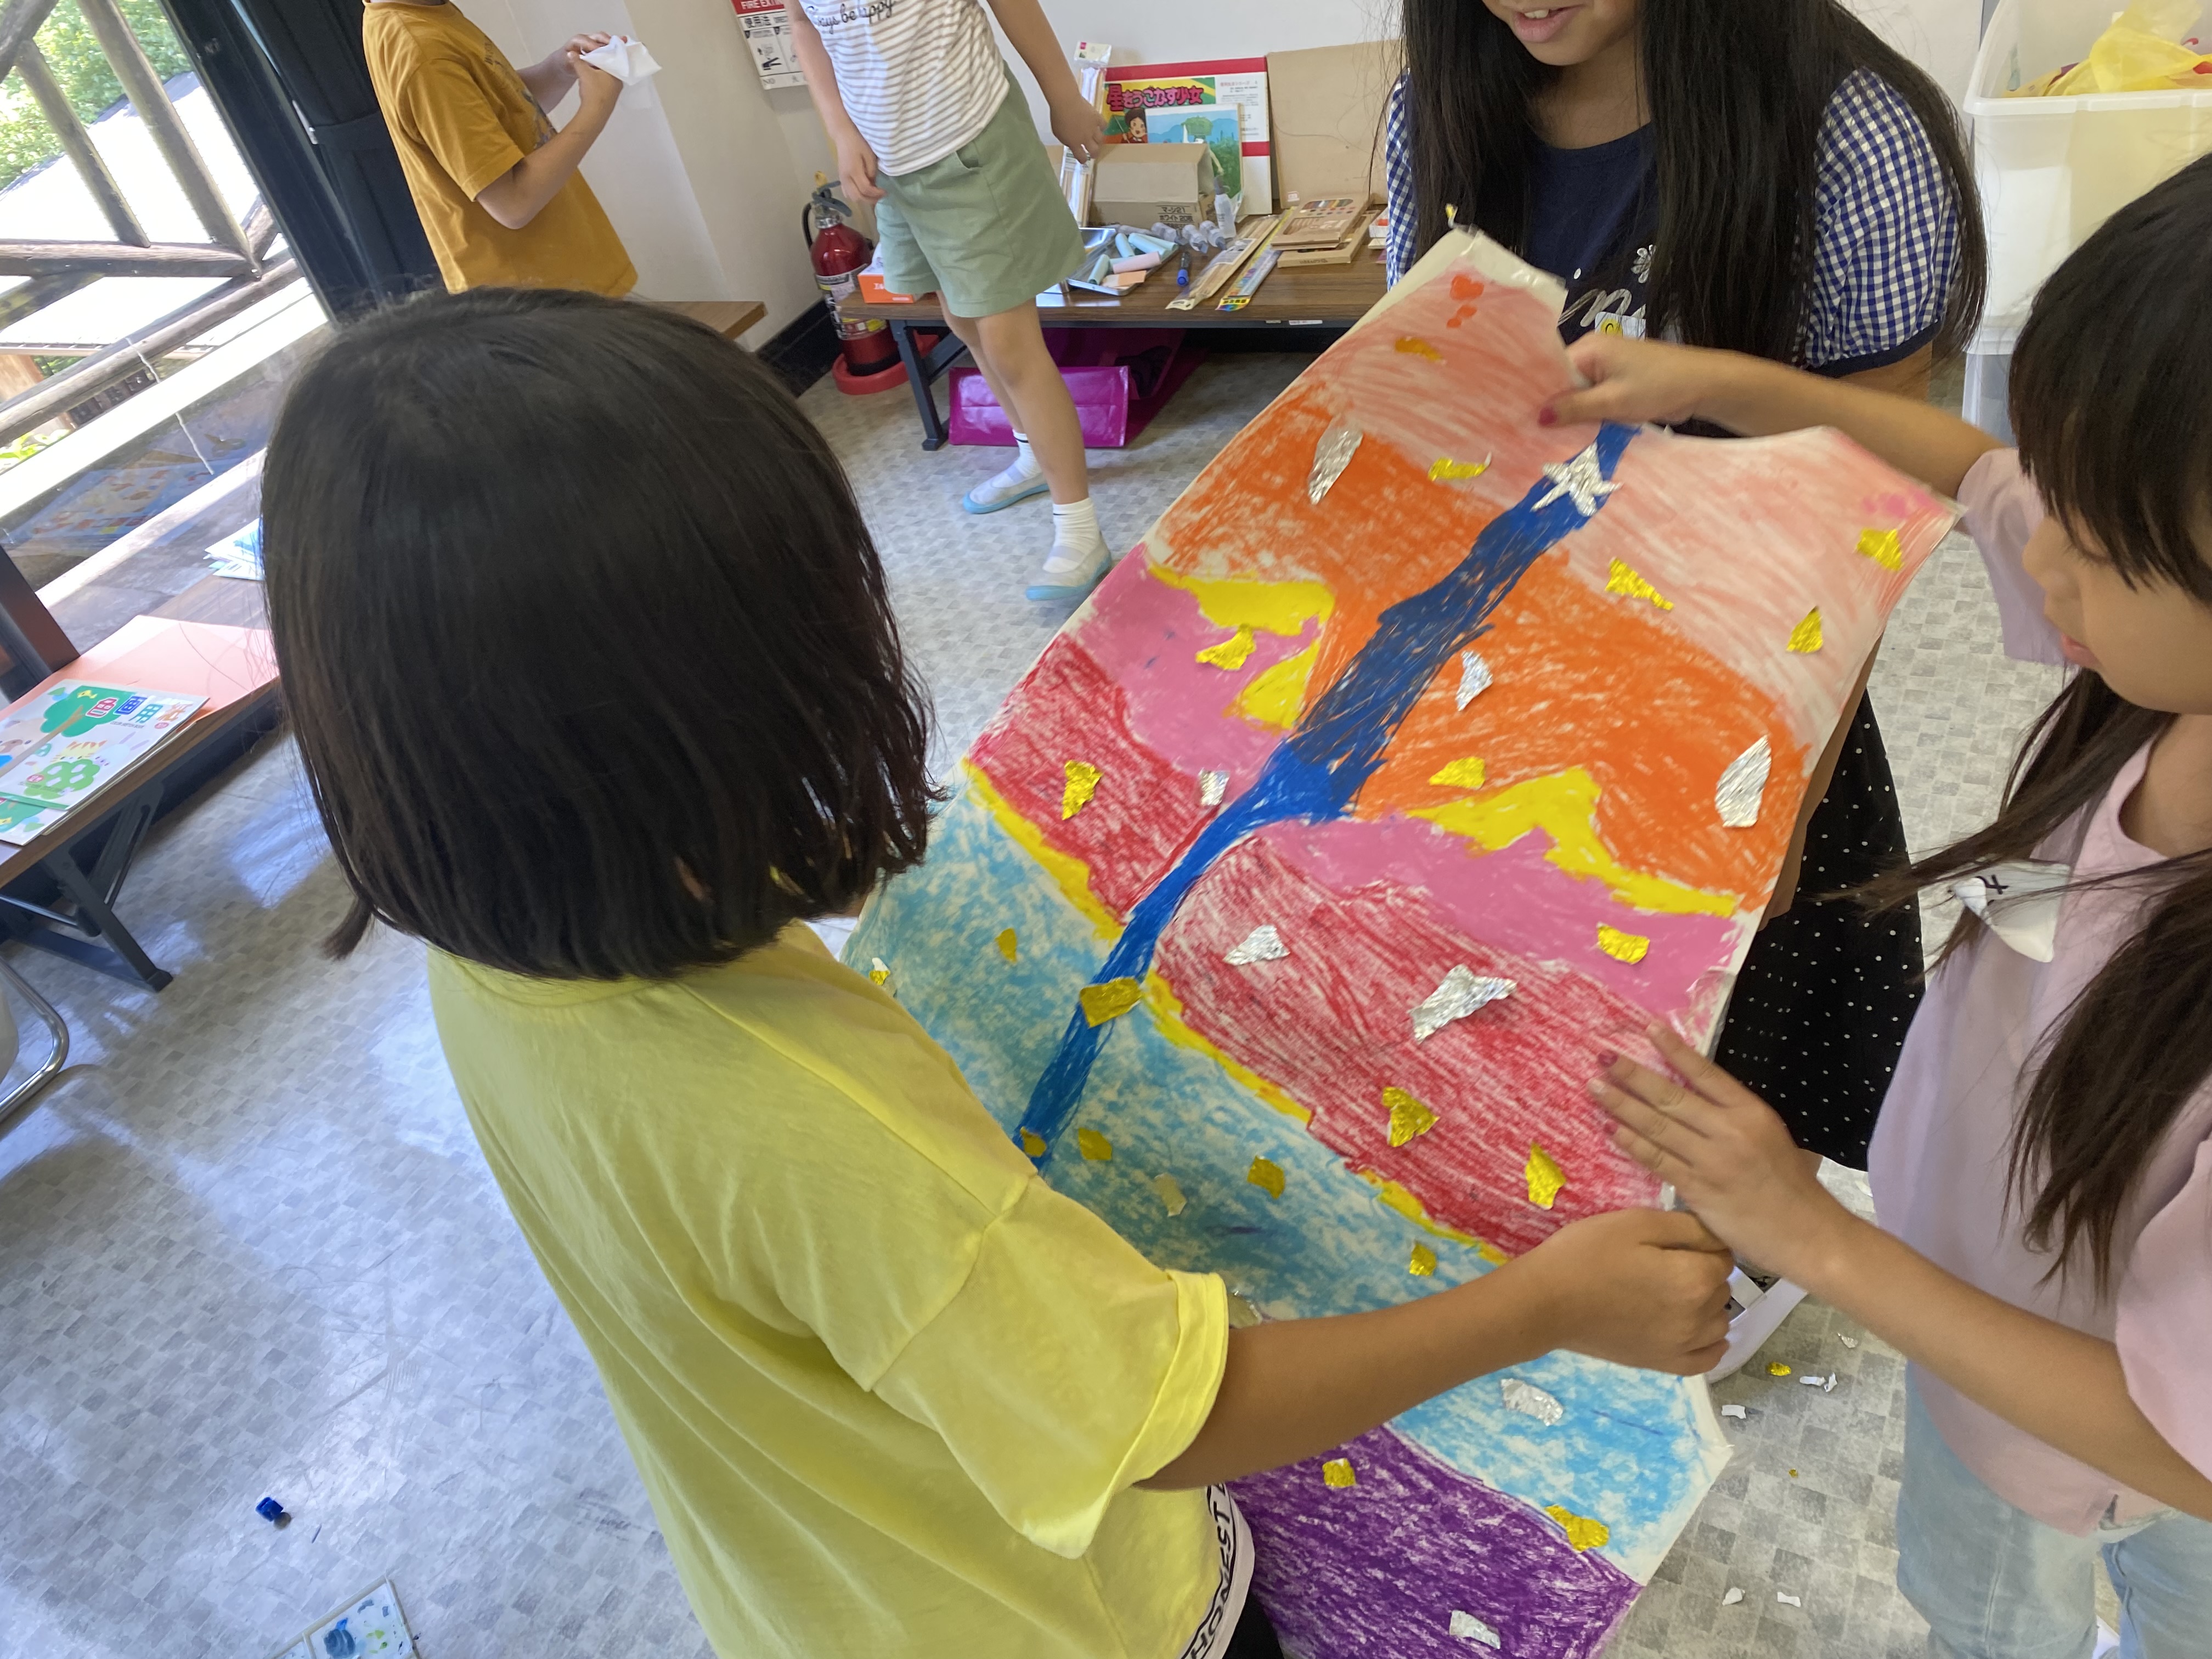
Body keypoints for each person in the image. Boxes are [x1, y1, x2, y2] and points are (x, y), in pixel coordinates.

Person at [258, 287, 1736, 1659]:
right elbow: (1166, 1421)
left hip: (815, 1599)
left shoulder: (488, 941)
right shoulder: (818, 1134)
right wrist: (1539, 1310)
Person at [1559, 155, 2212, 1658]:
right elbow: (1968, 467)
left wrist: (1818, 1239)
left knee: (2102, 1610)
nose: (2036, 551)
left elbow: (2181, 1442)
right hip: (1973, 1302)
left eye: (2096, 541)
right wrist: (1714, 381)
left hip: (2072, 1415)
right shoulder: (2157, 686)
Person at [1385, 0, 1989, 1367]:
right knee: (1515, 1033)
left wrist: (1787, 802)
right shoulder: (1443, 104)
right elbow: (1432, 414)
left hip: (1757, 704)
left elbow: (1869, 507)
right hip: (1511, 678)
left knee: (1731, 1054)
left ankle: (1721, 1293)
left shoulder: (1850, 134)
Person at [786, 0, 1113, 601]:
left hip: (972, 143)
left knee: (1010, 345)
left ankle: (1081, 530)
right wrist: (842, 131)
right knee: (962, 320)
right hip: (892, 167)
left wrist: (1063, 97)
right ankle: (1031, 455)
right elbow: (803, 23)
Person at [363, 0, 635, 296]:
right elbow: (513, 203)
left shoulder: (419, 13)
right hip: (536, 294)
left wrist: (559, 69)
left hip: (552, 275)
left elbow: (498, 107)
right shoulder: (424, 52)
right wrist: (597, 106)